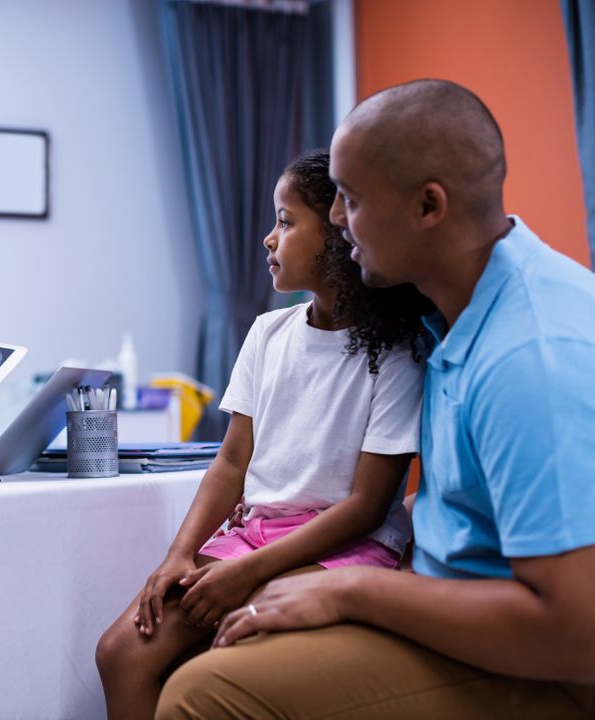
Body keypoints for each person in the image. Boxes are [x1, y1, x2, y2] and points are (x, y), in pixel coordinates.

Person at [157, 79, 595, 718]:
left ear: (428, 206)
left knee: (204, 694)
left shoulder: (531, 352)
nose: (337, 220)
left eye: (352, 200)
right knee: (188, 650)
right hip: (449, 599)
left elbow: (575, 634)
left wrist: (350, 593)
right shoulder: (447, 319)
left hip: (544, 664)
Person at [95, 149, 434, 719]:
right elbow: (232, 463)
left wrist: (246, 574)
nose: (268, 239)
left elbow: (368, 504)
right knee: (121, 651)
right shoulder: (267, 333)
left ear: (337, 233)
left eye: (285, 220)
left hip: (342, 548)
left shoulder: (396, 353)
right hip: (255, 536)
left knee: (221, 664)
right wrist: (178, 556)